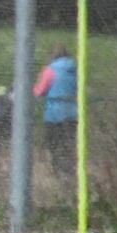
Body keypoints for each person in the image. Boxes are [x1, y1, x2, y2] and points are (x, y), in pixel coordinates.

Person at [33, 44, 78, 179]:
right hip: (72, 113)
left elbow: (38, 92)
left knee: (54, 144)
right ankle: (69, 172)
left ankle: (58, 172)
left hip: (54, 115)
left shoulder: (50, 70)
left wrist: (39, 78)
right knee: (68, 144)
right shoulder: (74, 70)